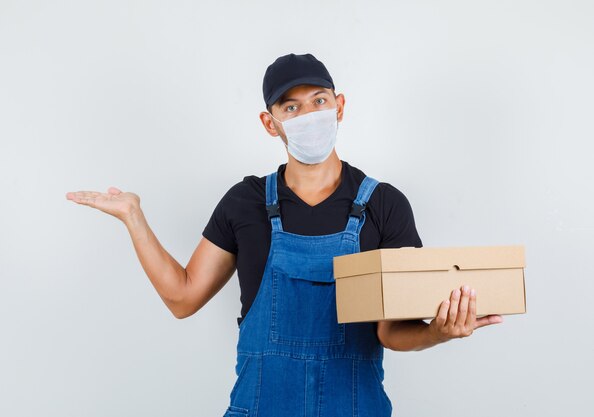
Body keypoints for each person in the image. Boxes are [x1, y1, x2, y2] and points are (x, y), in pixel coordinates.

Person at [66, 53, 503, 417]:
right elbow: (182, 298)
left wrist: (438, 333)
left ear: (340, 106)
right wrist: (134, 218)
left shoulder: (384, 205)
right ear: (270, 122)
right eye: (291, 107)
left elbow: (391, 331)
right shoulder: (246, 201)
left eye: (319, 100)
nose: (309, 115)